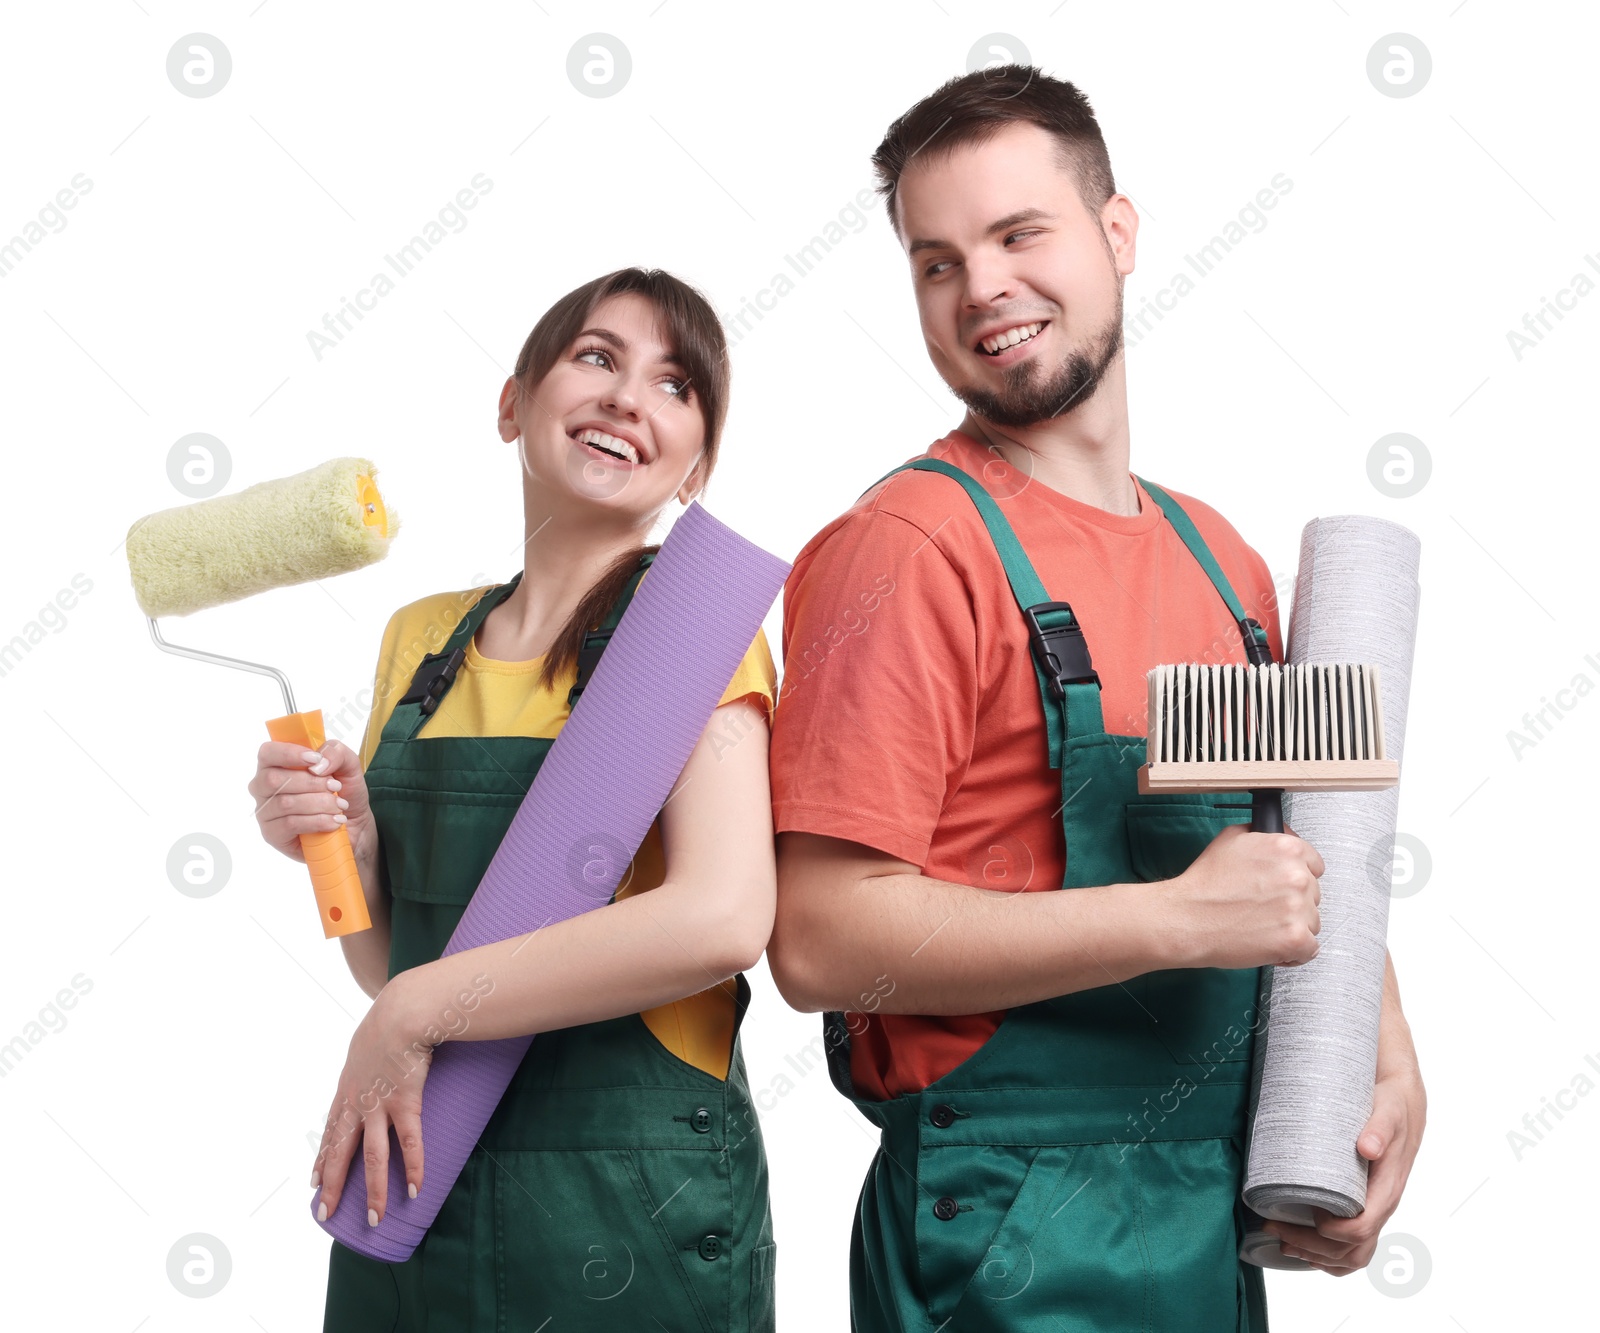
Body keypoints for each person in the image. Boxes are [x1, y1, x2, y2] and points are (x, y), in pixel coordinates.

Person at [766, 66, 1426, 1330]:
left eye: (1020, 234)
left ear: (1116, 234)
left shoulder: (1223, 564)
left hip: (1208, 1208)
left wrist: (1386, 1054)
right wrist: (1176, 921)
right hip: (1006, 1222)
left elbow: (1299, 851)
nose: (983, 289)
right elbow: (819, 938)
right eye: (936, 262)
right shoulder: (904, 549)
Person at [248, 268, 779, 1331]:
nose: (630, 395)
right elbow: (390, 960)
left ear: (696, 466)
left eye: (676, 385)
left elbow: (721, 917)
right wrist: (340, 842)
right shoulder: (421, 638)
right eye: (597, 357)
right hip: (417, 1161)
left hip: (627, 1200)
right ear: (512, 403)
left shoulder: (694, 636)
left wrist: (413, 1009)